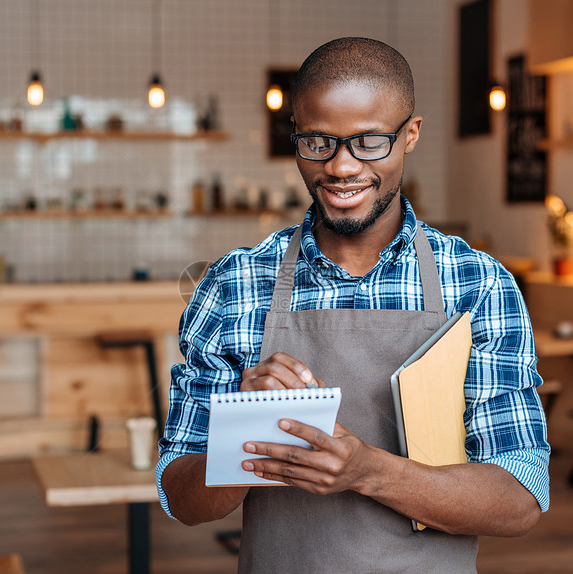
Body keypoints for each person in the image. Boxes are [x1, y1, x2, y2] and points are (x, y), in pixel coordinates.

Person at [157, 37, 549, 572]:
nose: (341, 167)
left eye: (369, 141)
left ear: (410, 136)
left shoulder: (478, 286)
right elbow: (182, 498)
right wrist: (239, 436)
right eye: (317, 142)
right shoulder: (235, 285)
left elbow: (519, 499)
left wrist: (367, 471)